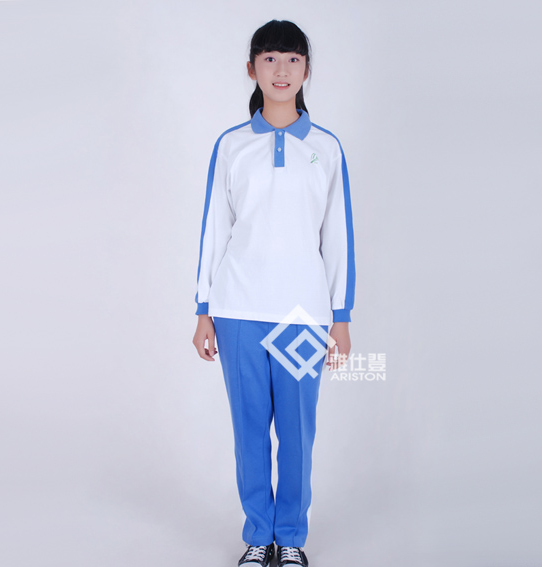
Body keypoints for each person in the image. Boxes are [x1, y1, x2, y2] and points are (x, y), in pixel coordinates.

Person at [192, 19, 356, 567]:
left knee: (297, 432)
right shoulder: (232, 146)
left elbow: (338, 235)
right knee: (249, 433)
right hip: (237, 310)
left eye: (292, 59)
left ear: (307, 70)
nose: (280, 69)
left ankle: (291, 539)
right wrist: (203, 310)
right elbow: (215, 229)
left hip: (303, 315)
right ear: (251, 69)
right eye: (269, 58)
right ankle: (258, 536)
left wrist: (340, 315)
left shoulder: (326, 149)